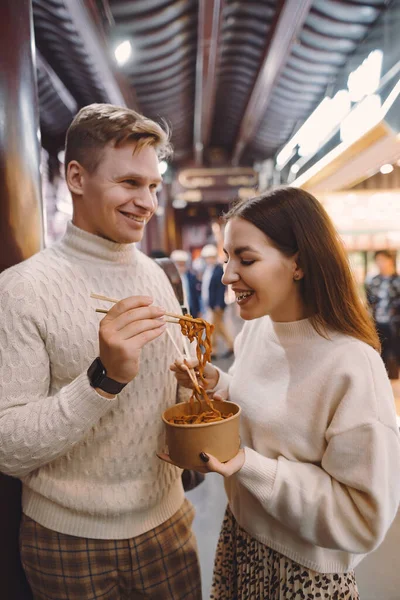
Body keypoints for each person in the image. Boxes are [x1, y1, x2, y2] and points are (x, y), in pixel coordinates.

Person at [0, 104, 201, 600]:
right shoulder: (22, 289)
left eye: (153, 187)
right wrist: (103, 379)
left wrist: (196, 383)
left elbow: (169, 394)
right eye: (130, 183)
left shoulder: (156, 274)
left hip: (167, 522)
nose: (147, 202)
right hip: (67, 540)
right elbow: (8, 445)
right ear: (76, 177)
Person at [166, 188, 400, 600]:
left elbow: (364, 517)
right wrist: (217, 385)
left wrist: (250, 467)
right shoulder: (257, 330)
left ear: (299, 263)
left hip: (305, 574)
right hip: (241, 540)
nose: (227, 275)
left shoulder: (351, 364)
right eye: (226, 258)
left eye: (246, 259)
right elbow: (265, 408)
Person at [365, 250, 400, 379]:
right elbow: (369, 301)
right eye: (378, 260)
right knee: (379, 352)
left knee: (395, 351)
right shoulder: (373, 281)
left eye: (383, 260)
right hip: (377, 322)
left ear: (390, 260)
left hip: (395, 323)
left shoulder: (397, 281)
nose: (380, 263)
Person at [200, 243, 234, 358]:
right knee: (218, 327)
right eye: (207, 258)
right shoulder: (209, 270)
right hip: (211, 304)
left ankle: (213, 350)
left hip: (217, 305)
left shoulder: (218, 270)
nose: (209, 260)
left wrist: (219, 303)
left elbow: (221, 289)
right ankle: (230, 345)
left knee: (214, 327)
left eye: (211, 257)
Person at [170, 249, 201, 317]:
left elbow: (196, 295)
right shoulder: (170, 278)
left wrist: (198, 310)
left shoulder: (191, 277)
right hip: (176, 310)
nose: (181, 267)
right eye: (179, 264)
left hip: (191, 309)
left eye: (183, 264)